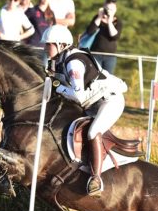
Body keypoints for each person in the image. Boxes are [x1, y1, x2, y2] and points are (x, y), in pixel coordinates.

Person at [42, 25, 127, 197]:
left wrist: (58, 88)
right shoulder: (59, 60)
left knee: (93, 131)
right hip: (93, 103)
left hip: (109, 101)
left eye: (48, 44)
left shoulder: (73, 63)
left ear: (60, 44)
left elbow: (79, 97)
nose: (45, 48)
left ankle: (96, 179)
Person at [84, 0, 122, 74]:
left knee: (108, 78)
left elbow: (114, 36)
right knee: (95, 75)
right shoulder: (97, 18)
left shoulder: (118, 21)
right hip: (95, 54)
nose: (108, 11)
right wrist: (99, 17)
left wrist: (110, 21)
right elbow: (90, 31)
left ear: (115, 10)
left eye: (111, 9)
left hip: (110, 56)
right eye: (107, 9)